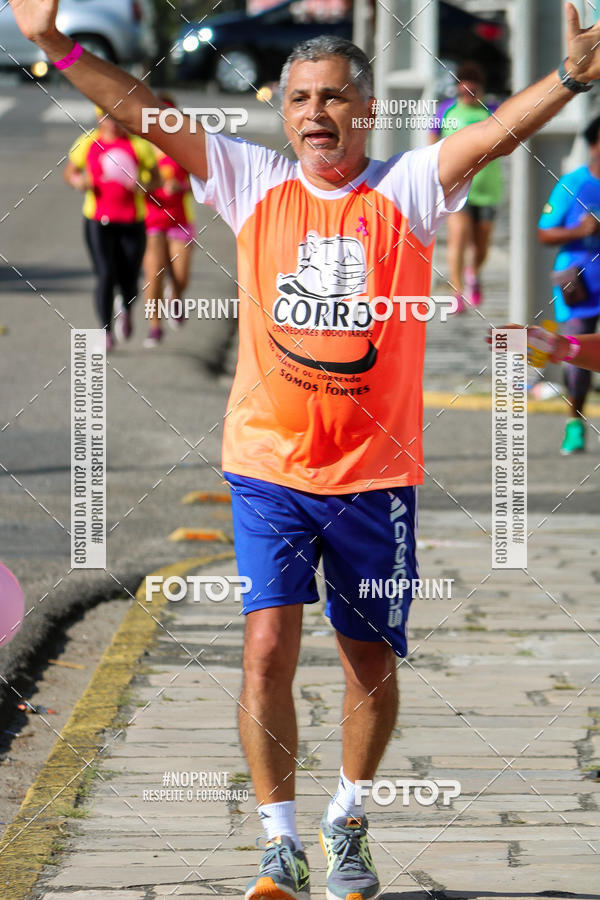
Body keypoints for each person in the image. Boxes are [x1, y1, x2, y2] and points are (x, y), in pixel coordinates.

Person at [11, 1, 600, 896]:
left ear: (365, 111)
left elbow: (488, 142)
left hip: (374, 480)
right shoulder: (251, 181)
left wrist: (568, 79)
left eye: (332, 98)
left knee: (368, 659)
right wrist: (53, 46)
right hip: (267, 469)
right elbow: (144, 111)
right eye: (298, 98)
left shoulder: (404, 189)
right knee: (264, 648)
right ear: (282, 113)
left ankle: (348, 819)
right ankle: (277, 839)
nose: (315, 113)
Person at [63, 108, 159, 350]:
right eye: (107, 116)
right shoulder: (88, 142)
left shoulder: (138, 146)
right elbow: (69, 173)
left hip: (132, 222)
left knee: (129, 278)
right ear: (98, 118)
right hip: (98, 221)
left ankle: (126, 307)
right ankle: (105, 331)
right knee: (105, 275)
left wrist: (143, 185)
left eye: (117, 116)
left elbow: (156, 179)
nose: (113, 122)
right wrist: (79, 181)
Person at [537, 115, 600, 454]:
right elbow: (544, 232)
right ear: (593, 144)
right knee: (578, 355)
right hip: (580, 286)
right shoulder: (573, 184)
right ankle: (575, 421)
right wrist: (580, 231)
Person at [430, 62, 503, 312]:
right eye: (463, 89)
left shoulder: (492, 111)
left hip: (487, 188)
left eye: (472, 90)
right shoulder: (446, 110)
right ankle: (457, 291)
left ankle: (473, 271)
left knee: (482, 246)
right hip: (456, 188)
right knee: (458, 237)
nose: (467, 94)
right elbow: (433, 144)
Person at [143, 94, 196, 348]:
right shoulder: (142, 148)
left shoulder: (183, 149)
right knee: (154, 275)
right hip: (150, 222)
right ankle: (155, 327)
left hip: (179, 220)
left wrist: (182, 186)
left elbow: (202, 183)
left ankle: (175, 295)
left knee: (180, 275)